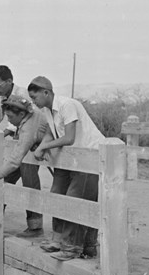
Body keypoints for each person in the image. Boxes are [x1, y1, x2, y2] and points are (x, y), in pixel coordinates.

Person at [28, 76, 105, 261]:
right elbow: (49, 132)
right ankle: (59, 240)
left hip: (88, 156)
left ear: (46, 92)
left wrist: (44, 147)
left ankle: (72, 247)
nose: (34, 102)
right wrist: (40, 147)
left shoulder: (67, 105)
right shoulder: (47, 111)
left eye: (35, 97)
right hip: (69, 158)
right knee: (56, 195)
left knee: (75, 200)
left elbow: (69, 137)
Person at [0, 65, 46, 237]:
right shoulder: (3, 97)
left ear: (9, 82)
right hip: (19, 142)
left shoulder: (24, 95)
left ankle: (35, 226)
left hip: (30, 142)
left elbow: (29, 118)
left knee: (30, 181)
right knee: (5, 180)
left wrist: (8, 130)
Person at [0, 95, 50, 230]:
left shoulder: (29, 127)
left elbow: (14, 160)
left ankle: (35, 226)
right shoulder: (27, 118)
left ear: (22, 114)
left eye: (11, 117)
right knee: (5, 180)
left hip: (34, 156)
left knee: (30, 184)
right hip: (27, 153)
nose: (9, 120)